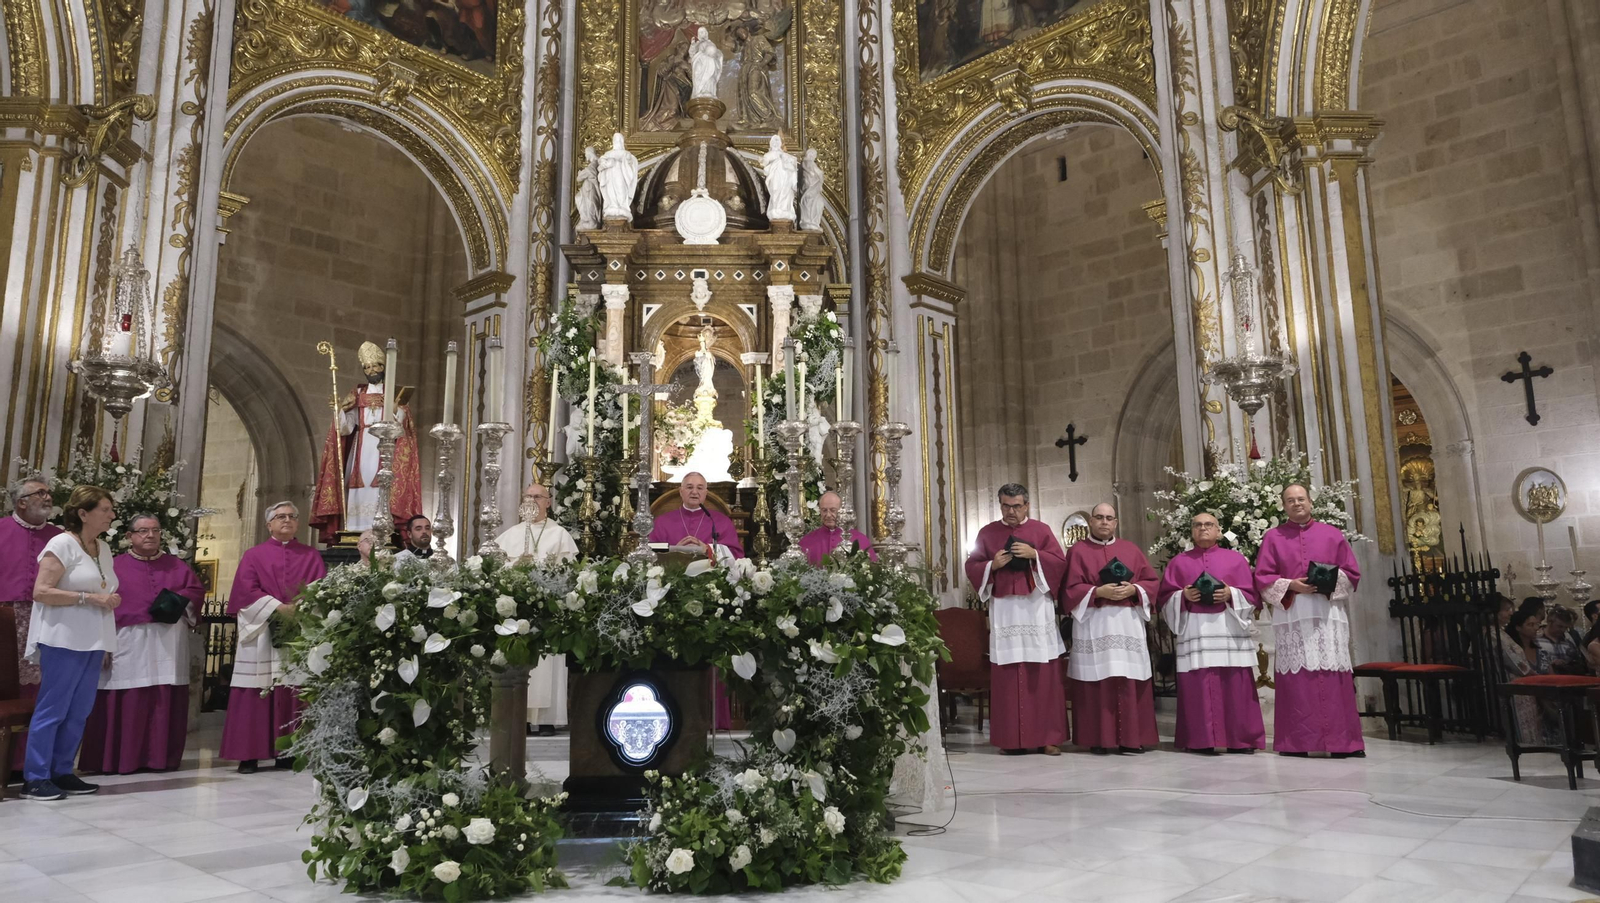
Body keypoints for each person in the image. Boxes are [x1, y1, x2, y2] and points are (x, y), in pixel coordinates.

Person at [78, 514, 203, 773]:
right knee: (125, 697)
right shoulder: (113, 565)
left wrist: (177, 601)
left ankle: (160, 759)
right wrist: (102, 643)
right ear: (129, 536)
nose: (150, 535)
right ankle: (118, 760)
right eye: (143, 531)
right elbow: (100, 603)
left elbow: (195, 591)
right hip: (126, 641)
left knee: (163, 696)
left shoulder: (177, 565)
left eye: (155, 530)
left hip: (169, 640)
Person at [22, 485, 119, 800]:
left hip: (92, 639)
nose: (111, 515)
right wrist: (88, 598)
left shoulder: (102, 548)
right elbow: (41, 591)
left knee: (79, 710)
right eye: (105, 509)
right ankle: (35, 777)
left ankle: (62, 771)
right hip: (63, 638)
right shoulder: (61, 543)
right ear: (83, 513)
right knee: (53, 708)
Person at [1254, 483, 1365, 757]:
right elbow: (1263, 578)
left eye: (1300, 499)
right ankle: (1297, 743)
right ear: (1283, 505)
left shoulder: (1331, 533)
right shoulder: (1273, 537)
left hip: (1327, 613)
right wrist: (1292, 584)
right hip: (1293, 613)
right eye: (1290, 500)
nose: (1296, 503)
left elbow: (1351, 573)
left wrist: (1323, 583)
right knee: (1297, 678)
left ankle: (1343, 743)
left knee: (1333, 673)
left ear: (1310, 502)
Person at [219, 501, 327, 774]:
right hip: (261, 632)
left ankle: (289, 753)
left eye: (292, 516)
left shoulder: (311, 555)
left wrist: (298, 608)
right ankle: (249, 755)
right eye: (280, 517)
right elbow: (245, 590)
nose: (287, 520)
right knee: (254, 692)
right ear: (269, 524)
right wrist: (277, 607)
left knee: (294, 689)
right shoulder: (253, 555)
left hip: (298, 629)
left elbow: (319, 587)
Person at [962, 483, 1068, 755]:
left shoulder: (1041, 530)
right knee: (1008, 674)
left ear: (1027, 505)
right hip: (1005, 610)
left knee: (1042, 673)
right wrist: (991, 565)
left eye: (1017, 506)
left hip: (1036, 607)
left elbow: (1059, 563)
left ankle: (1047, 738)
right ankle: (1011, 740)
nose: (1011, 511)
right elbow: (972, 565)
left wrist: (1036, 555)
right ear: (1000, 504)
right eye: (1006, 506)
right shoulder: (987, 533)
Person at [1157, 512, 1265, 753]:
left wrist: (1231, 594)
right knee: (1198, 683)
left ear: (1218, 530)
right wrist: (1182, 596)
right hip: (1196, 629)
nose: (1203, 528)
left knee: (1235, 684)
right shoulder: (1178, 562)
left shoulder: (1235, 560)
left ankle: (1241, 740)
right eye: (1197, 525)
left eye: (1209, 525)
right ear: (1191, 531)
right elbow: (1164, 598)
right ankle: (1201, 739)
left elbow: (1252, 595)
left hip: (1229, 628)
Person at [1062, 503, 1160, 754]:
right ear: (1091, 522)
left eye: (1109, 518)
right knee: (1097, 680)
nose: (1104, 522)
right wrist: (1097, 591)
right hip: (1095, 623)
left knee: (1129, 680)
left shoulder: (1131, 549)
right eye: (1099, 517)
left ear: (1115, 523)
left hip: (1127, 623)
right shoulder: (1078, 551)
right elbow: (1069, 590)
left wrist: (1134, 589)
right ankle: (1099, 738)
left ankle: (1132, 738)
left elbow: (1150, 582)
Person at [310, 341, 423, 541]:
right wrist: (341, 410)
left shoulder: (394, 393)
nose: (371, 370)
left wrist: (397, 409)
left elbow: (402, 427)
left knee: (383, 482)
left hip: (385, 446)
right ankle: (355, 528)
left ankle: (382, 528)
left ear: (382, 368)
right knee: (357, 483)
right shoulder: (358, 394)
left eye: (375, 366)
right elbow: (345, 427)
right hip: (361, 446)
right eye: (367, 367)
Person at [497, 484, 579, 735]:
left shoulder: (560, 534)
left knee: (547, 664)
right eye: (528, 496)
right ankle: (519, 717)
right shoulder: (511, 534)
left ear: (548, 502)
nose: (532, 500)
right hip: (517, 608)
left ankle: (545, 719)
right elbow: (497, 569)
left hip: (547, 607)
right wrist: (515, 566)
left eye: (538, 497)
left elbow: (568, 572)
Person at [2, 475, 61, 774]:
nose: (48, 498)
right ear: (21, 501)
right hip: (5, 622)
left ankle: (30, 764)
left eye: (49, 493)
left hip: (47, 620)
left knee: (42, 688)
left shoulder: (60, 538)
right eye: (40, 493)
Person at [649, 472, 744, 561]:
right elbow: (650, 553)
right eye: (689, 487)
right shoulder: (661, 522)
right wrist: (674, 551)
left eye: (700, 488)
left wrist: (708, 550)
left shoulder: (722, 521)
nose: (694, 492)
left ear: (705, 493)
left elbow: (735, 555)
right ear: (681, 491)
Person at [799, 491, 876, 565]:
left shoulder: (860, 539)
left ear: (842, 510)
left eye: (833, 510)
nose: (828, 515)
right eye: (824, 510)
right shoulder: (807, 541)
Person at [1535, 605, 1586, 675]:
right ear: (1550, 622)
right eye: (1560, 626)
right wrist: (1551, 664)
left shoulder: (1568, 642)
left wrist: (1567, 665)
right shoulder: (1536, 640)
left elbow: (1579, 664)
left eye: (1565, 627)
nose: (1562, 630)